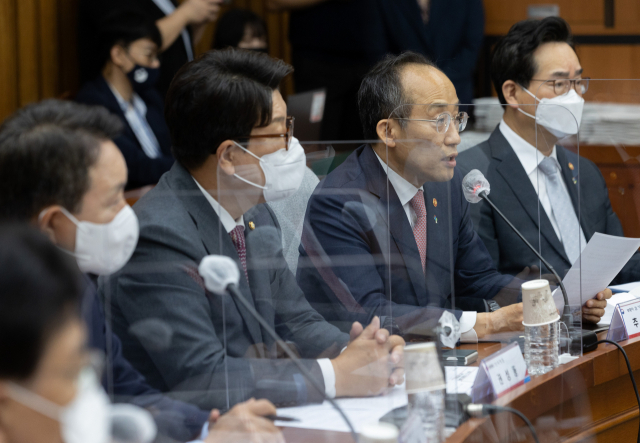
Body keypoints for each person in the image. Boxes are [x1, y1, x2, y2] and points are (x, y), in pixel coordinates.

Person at [100, 48, 405, 411]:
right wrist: (336, 375)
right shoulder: (159, 236)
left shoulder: (255, 214)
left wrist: (359, 351)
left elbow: (298, 321)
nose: (292, 146)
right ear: (228, 156)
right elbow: (206, 377)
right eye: (279, 133)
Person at [0, 100, 283, 443]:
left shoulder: (74, 279)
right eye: (112, 200)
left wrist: (208, 427)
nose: (128, 213)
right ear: (52, 223)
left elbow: (127, 391)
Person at [296, 52, 612, 343]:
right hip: (364, 371)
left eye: (456, 119)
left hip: (438, 359)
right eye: (439, 121)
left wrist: (561, 299)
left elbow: (477, 279)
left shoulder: (446, 186)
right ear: (389, 131)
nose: (455, 137)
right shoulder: (339, 202)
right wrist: (489, 324)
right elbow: (369, 313)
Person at [0, 226, 285, 443]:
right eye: (72, 373)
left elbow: (126, 390)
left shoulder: (72, 294)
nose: (89, 395)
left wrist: (209, 427)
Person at [456, 17, 640, 302]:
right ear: (513, 92)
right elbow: (479, 286)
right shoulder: (473, 176)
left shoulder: (586, 172)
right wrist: (564, 300)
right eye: (559, 84)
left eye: (578, 82)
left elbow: (620, 268)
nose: (575, 96)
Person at [267, 0, 484, 140]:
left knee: (364, 142)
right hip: (318, 60)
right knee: (314, 142)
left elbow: (471, 45)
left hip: (368, 69)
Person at [76, 11, 174, 190]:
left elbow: (173, 146)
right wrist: (189, 167)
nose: (156, 64)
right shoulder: (91, 104)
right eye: (149, 55)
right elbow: (134, 167)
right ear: (118, 55)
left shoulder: (149, 97)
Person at [78, 0, 223, 97]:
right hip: (139, 95)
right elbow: (136, 44)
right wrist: (185, 13)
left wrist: (200, 18)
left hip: (179, 95)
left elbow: (178, 43)